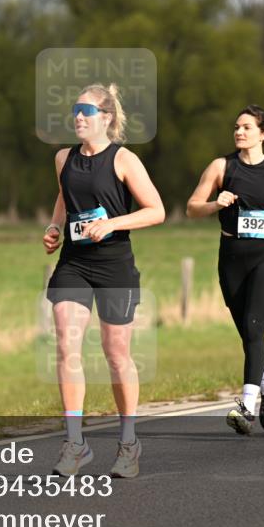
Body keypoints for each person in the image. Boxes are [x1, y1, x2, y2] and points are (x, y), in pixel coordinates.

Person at [43, 83, 165, 478]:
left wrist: (111, 223)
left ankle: (128, 443)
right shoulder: (64, 157)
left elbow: (156, 211)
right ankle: (75, 443)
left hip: (114, 266)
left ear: (107, 118)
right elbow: (65, 196)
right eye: (75, 110)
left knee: (117, 355)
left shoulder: (124, 159)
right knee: (66, 344)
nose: (78, 116)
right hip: (74, 263)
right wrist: (54, 226)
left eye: (86, 110)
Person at [186, 105, 264, 435]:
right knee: (249, 334)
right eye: (236, 127)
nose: (239, 132)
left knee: (254, 326)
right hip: (232, 258)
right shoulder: (221, 167)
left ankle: (246, 405)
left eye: (247, 128)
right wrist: (215, 204)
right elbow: (192, 208)